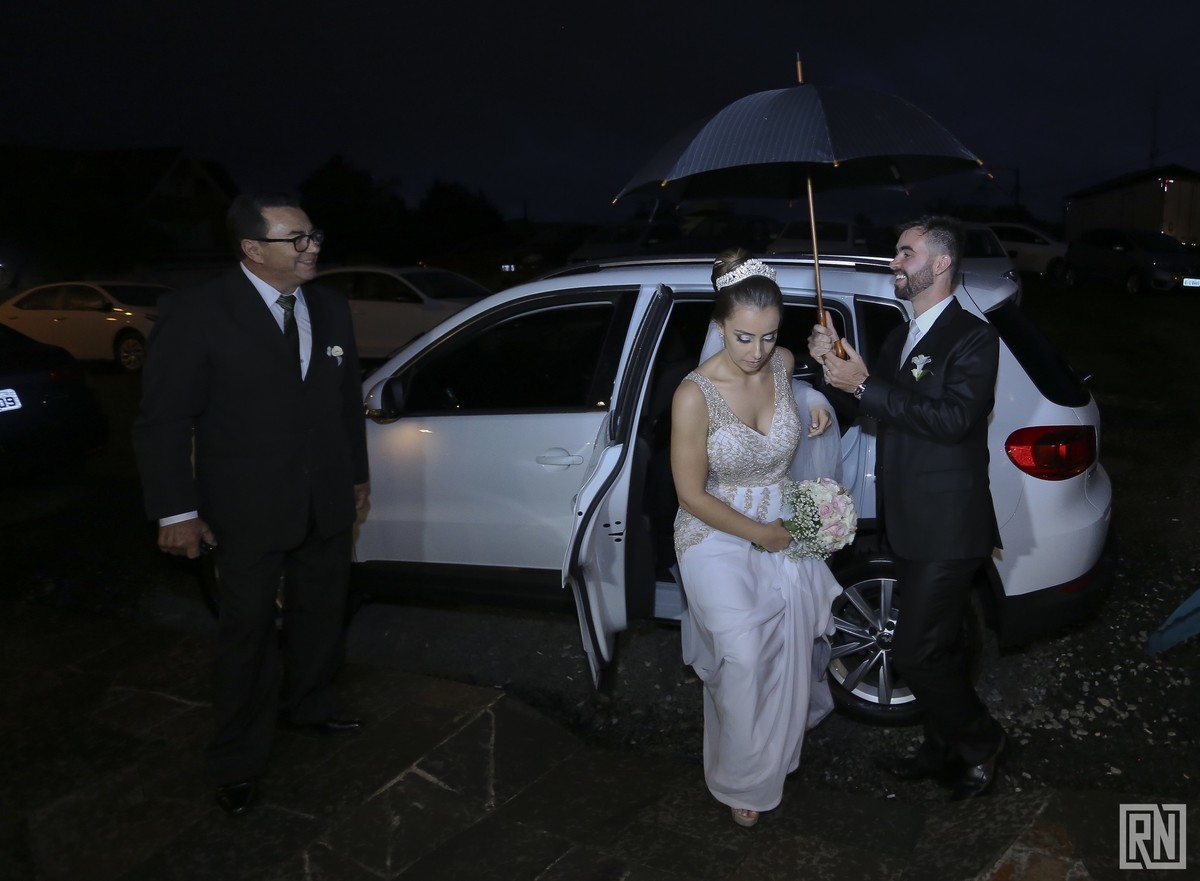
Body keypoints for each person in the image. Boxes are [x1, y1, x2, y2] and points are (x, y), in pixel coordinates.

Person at [132, 192, 370, 815]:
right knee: (248, 634)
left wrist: (357, 478)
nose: (312, 247)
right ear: (252, 249)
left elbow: (345, 404)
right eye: (297, 239)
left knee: (322, 612)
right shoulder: (197, 312)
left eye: (313, 235)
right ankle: (236, 757)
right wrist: (177, 511)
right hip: (244, 509)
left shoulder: (331, 306)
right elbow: (163, 420)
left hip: (324, 499)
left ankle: (310, 706)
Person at [808, 214, 1006, 801]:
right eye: (897, 253)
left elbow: (953, 420)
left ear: (941, 263)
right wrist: (834, 365)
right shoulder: (900, 337)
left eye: (906, 253)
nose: (895, 262)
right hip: (909, 521)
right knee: (938, 646)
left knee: (915, 650)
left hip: (950, 524)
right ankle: (941, 748)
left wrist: (865, 385)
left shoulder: (973, 337)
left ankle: (982, 741)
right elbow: (880, 409)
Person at [670, 249, 844, 828]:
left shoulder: (783, 363)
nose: (757, 351)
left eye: (769, 337)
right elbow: (690, 495)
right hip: (712, 532)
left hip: (781, 517)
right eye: (744, 337)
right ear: (719, 325)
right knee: (744, 656)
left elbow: (794, 394)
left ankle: (768, 754)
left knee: (785, 650)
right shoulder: (693, 395)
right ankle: (740, 776)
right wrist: (763, 536)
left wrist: (815, 403)